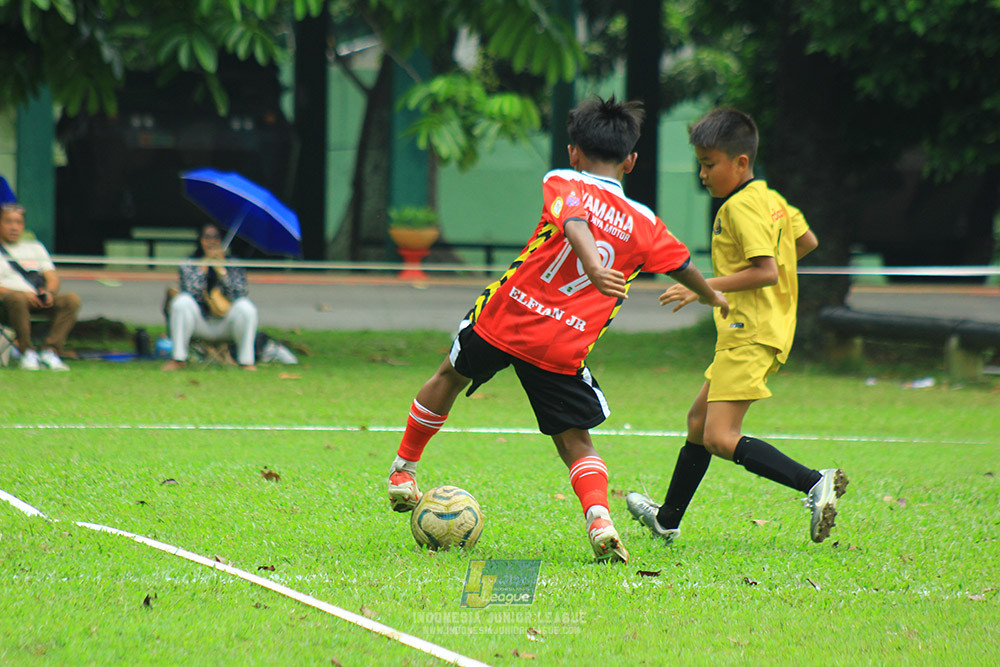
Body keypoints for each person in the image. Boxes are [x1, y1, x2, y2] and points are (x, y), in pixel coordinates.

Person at [385, 97, 729, 564]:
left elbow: (573, 218)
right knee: (574, 439)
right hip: (562, 343)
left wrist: (590, 258)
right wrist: (712, 295)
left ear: (573, 152)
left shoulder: (562, 179)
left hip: (506, 318)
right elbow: (684, 266)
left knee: (450, 374)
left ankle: (404, 470)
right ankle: (600, 520)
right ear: (631, 161)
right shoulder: (646, 224)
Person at [625, 108, 848, 545]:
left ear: (740, 163)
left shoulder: (740, 207)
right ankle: (667, 519)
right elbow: (805, 242)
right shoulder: (770, 199)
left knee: (719, 436)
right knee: (697, 420)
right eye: (701, 164)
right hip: (762, 327)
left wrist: (702, 287)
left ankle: (813, 482)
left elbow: (765, 270)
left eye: (710, 164)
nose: (702, 174)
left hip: (750, 330)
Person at [162, 223, 258, 371]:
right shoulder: (189, 263)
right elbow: (190, 291)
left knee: (246, 307)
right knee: (181, 302)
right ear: (200, 240)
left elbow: (240, 293)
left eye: (215, 237)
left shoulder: (234, 263)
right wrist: (204, 266)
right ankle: (178, 358)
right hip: (199, 322)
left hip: (226, 322)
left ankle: (246, 361)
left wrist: (222, 272)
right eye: (207, 237)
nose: (211, 241)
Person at [0, 201, 80, 370]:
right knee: (17, 298)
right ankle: (26, 351)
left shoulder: (35, 247)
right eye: (8, 222)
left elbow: (52, 276)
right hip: (7, 305)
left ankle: (50, 351)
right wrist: (22, 295)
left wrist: (49, 292)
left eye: (19, 222)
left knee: (71, 300)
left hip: (38, 300)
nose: (14, 227)